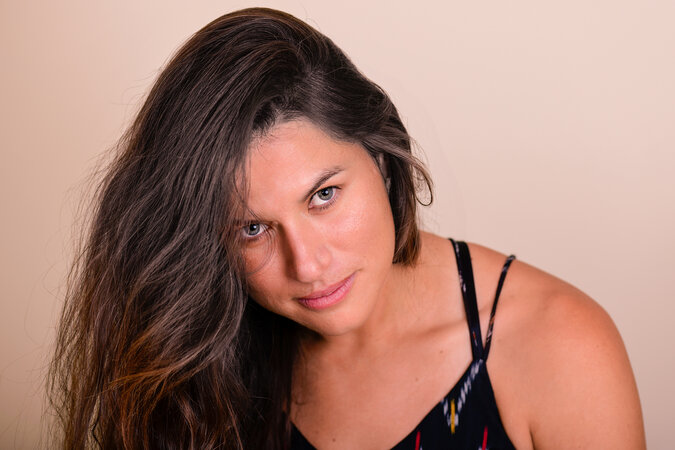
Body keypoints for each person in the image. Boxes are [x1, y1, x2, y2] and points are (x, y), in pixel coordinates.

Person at [48, 7, 645, 450]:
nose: (307, 264)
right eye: (252, 228)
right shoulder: (205, 356)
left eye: (324, 196)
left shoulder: (559, 348)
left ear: (381, 159)